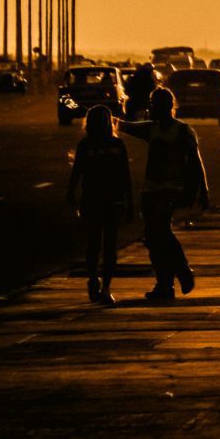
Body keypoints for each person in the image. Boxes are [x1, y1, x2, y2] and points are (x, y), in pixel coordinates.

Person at [118, 87, 210, 302]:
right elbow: (124, 126)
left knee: (161, 231)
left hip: (171, 190)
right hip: (150, 189)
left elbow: (196, 162)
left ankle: (183, 270)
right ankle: (164, 285)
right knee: (154, 237)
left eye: (154, 104)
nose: (151, 108)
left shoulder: (183, 131)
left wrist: (203, 190)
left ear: (167, 106)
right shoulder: (152, 129)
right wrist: (104, 114)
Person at [66, 105, 134, 305]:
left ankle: (104, 285)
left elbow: (125, 176)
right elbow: (77, 170)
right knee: (96, 243)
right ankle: (96, 280)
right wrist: (71, 192)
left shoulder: (116, 144)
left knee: (108, 244)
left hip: (110, 200)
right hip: (95, 199)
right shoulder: (87, 146)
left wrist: (129, 203)